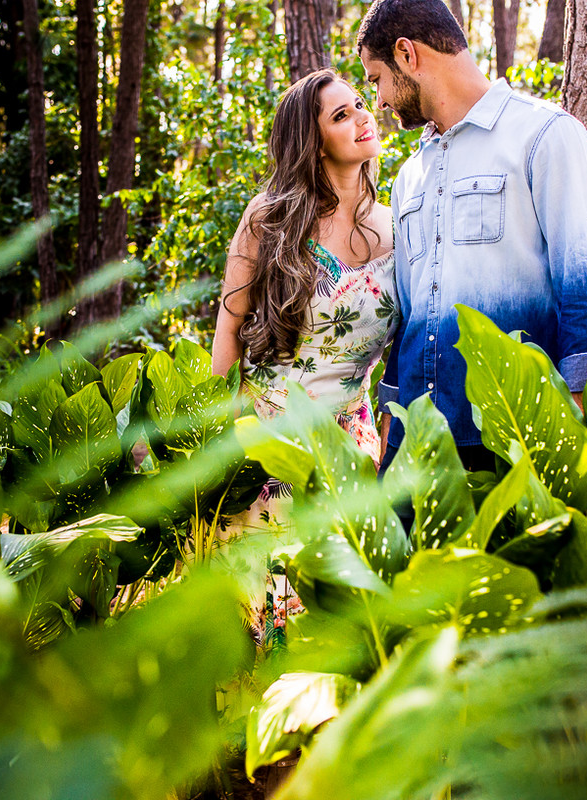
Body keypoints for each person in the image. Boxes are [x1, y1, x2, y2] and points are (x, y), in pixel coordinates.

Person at [356, 0, 587, 472]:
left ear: (406, 54)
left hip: (515, 444)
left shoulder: (547, 136)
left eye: (376, 79)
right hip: (414, 453)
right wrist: (390, 435)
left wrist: (573, 449)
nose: (378, 101)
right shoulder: (409, 179)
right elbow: (408, 315)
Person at [211, 68, 398, 646]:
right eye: (340, 115)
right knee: (267, 627)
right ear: (310, 141)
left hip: (354, 448)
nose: (363, 117)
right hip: (268, 443)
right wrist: (212, 441)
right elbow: (228, 332)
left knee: (338, 627)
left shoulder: (396, 224)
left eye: (361, 104)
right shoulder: (268, 219)